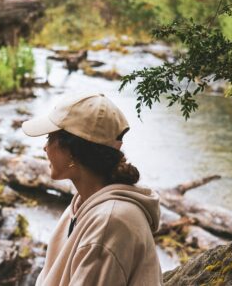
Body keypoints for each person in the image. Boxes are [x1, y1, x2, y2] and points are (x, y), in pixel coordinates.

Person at [22, 92, 163, 286]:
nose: (45, 148)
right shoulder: (83, 204)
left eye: (49, 138)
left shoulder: (109, 223)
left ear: (72, 151)